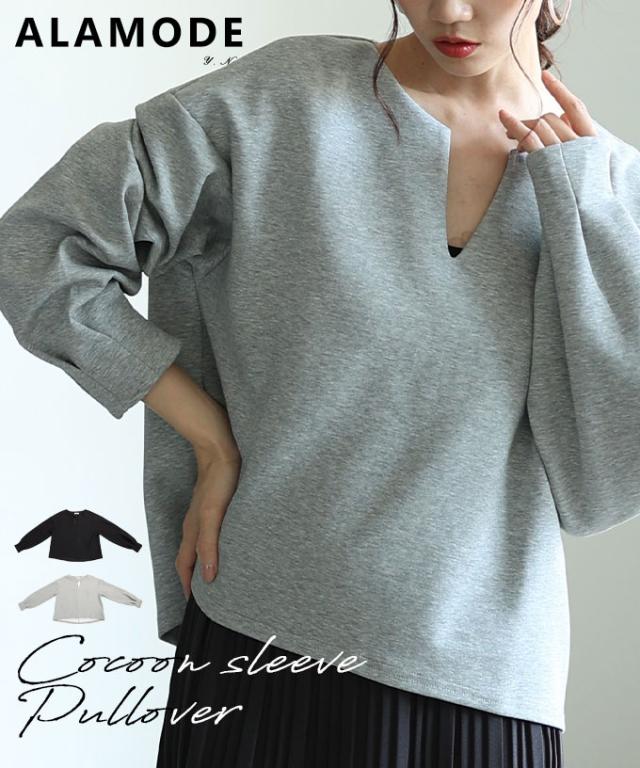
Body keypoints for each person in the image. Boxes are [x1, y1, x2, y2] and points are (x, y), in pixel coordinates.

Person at [2, 1, 640, 766]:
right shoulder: (280, 101)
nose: (449, 10)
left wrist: (590, 211)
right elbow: (35, 253)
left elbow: (601, 488)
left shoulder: (612, 189)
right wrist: (209, 439)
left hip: (484, 683)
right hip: (259, 638)